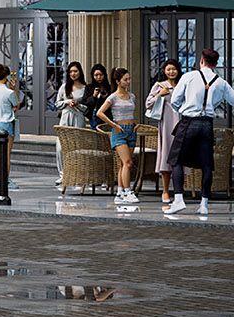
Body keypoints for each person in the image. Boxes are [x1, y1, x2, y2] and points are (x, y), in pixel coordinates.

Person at [165, 48, 234, 216]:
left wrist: (183, 109)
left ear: (201, 61)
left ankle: (179, 199)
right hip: (207, 124)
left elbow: (175, 100)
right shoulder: (221, 82)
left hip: (189, 121)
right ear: (216, 64)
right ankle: (204, 204)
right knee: (206, 165)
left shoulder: (189, 76)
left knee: (175, 160)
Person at [97, 67, 138, 205]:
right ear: (118, 81)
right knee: (128, 163)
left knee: (123, 164)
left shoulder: (132, 96)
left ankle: (120, 193)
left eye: (129, 79)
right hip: (119, 132)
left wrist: (135, 124)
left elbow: (129, 113)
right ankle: (128, 192)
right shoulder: (112, 97)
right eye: (125, 79)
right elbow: (100, 113)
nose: (128, 82)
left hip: (131, 131)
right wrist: (113, 125)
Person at [146, 58, 184, 206]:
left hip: (181, 125)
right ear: (164, 71)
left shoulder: (182, 85)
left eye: (174, 69)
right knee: (166, 158)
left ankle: (179, 192)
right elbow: (148, 103)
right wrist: (159, 95)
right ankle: (166, 191)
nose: (171, 72)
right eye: (168, 69)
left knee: (180, 158)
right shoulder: (159, 85)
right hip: (166, 126)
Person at [52, 64, 87, 183]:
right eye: (71, 71)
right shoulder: (64, 87)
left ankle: (76, 173)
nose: (73, 74)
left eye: (76, 71)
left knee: (78, 146)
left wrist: (78, 104)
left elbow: (87, 108)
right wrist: (67, 102)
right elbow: (56, 104)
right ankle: (63, 174)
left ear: (80, 72)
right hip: (65, 117)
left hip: (78, 117)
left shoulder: (85, 88)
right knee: (60, 147)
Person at [82, 62, 111, 129]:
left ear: (104, 75)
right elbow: (85, 102)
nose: (99, 77)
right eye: (96, 75)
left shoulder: (109, 88)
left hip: (106, 117)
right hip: (93, 117)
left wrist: (106, 97)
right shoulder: (89, 87)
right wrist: (94, 96)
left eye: (101, 75)